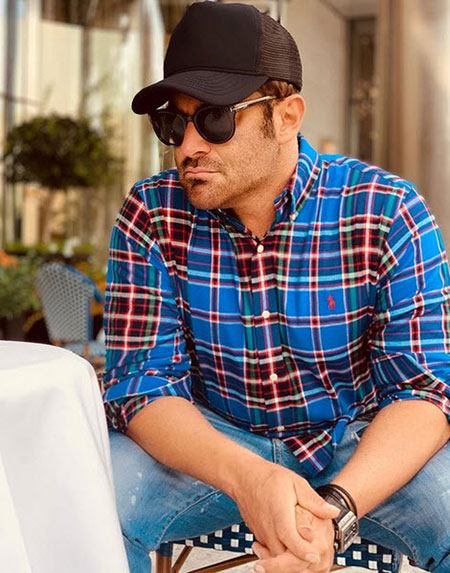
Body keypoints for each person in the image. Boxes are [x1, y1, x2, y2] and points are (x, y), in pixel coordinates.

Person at [103, 2, 450, 572]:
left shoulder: (385, 209)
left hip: (357, 451)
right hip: (217, 449)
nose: (187, 146)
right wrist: (252, 479)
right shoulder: (152, 212)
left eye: (214, 118)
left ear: (287, 116)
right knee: (89, 492)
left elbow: (423, 392)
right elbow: (142, 385)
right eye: (173, 123)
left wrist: (333, 515)